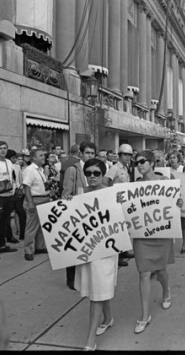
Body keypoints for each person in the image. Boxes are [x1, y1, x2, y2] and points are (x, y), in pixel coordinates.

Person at [62, 159, 117, 350]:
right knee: (98, 288)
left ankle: (90, 340)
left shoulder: (111, 194)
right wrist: (67, 205)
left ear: (103, 174)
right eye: (88, 173)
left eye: (96, 173)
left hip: (106, 250)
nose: (92, 176)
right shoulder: (80, 194)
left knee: (97, 292)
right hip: (86, 250)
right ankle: (108, 318)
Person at [130, 150, 181, 334]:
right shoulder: (134, 185)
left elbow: (178, 202)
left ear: (152, 163)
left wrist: (179, 202)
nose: (139, 165)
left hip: (161, 233)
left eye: (142, 161)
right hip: (142, 235)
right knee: (143, 273)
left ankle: (166, 290)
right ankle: (145, 316)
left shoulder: (166, 182)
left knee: (160, 271)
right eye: (137, 162)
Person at [62, 142, 96, 288]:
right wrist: (69, 200)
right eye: (87, 153)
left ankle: (84, 277)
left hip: (90, 212)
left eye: (92, 153)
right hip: (75, 212)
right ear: (81, 153)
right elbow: (65, 193)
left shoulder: (95, 168)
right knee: (73, 246)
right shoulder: (73, 169)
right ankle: (71, 279)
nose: (90, 156)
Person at [102, 144, 136, 266]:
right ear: (120, 155)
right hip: (116, 203)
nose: (128, 157)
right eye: (125, 155)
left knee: (124, 228)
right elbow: (105, 182)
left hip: (124, 202)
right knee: (117, 230)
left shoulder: (125, 168)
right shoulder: (114, 168)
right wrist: (111, 195)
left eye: (130, 155)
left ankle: (123, 251)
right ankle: (117, 256)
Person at [22, 149, 51, 261]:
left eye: (44, 155)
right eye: (41, 155)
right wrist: (30, 203)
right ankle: (28, 250)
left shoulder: (40, 169)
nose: (44, 157)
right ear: (33, 157)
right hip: (35, 200)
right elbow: (26, 187)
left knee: (41, 226)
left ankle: (40, 247)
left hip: (44, 199)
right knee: (31, 226)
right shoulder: (30, 170)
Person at [167, 150, 185, 254]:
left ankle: (184, 244)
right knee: (171, 222)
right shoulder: (167, 170)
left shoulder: (184, 169)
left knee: (184, 224)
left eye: (174, 157)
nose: (172, 159)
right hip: (171, 200)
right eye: (170, 158)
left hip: (183, 199)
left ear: (178, 158)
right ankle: (171, 244)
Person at [3, 150, 21, 244]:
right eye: (13, 158)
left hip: (15, 191)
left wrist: (18, 187)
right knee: (6, 217)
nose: (15, 160)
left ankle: (16, 232)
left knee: (18, 211)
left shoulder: (16, 167)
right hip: (6, 192)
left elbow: (17, 179)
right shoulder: (4, 166)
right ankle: (7, 236)